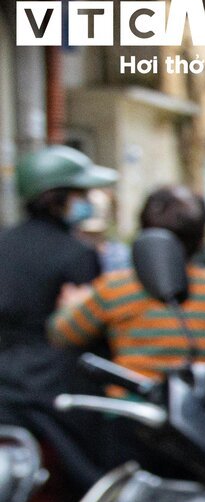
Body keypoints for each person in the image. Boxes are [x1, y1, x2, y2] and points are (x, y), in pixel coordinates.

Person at [50, 185, 205, 384]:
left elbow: (62, 335)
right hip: (201, 412)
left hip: (132, 412)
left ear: (144, 235)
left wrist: (72, 304)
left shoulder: (114, 289)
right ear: (201, 239)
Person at [0, 146, 117, 409]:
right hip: (57, 388)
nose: (89, 201)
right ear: (57, 198)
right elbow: (90, 327)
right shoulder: (77, 253)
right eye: (82, 194)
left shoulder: (4, 242)